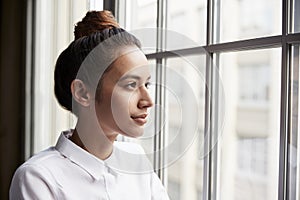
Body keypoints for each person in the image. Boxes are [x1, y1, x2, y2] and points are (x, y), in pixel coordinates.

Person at [9, 10, 170, 200]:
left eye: (147, 84)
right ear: (82, 93)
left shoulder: (135, 159)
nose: (148, 101)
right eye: (131, 85)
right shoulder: (38, 177)